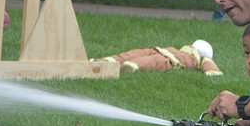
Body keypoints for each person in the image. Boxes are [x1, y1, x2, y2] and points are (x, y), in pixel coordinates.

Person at [93, 39, 222, 75]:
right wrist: (214, 72)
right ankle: (130, 66)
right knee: (147, 62)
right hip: (168, 60)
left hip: (158, 50)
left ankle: (104, 61)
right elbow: (211, 68)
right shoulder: (199, 59)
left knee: (131, 54)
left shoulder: (182, 49)